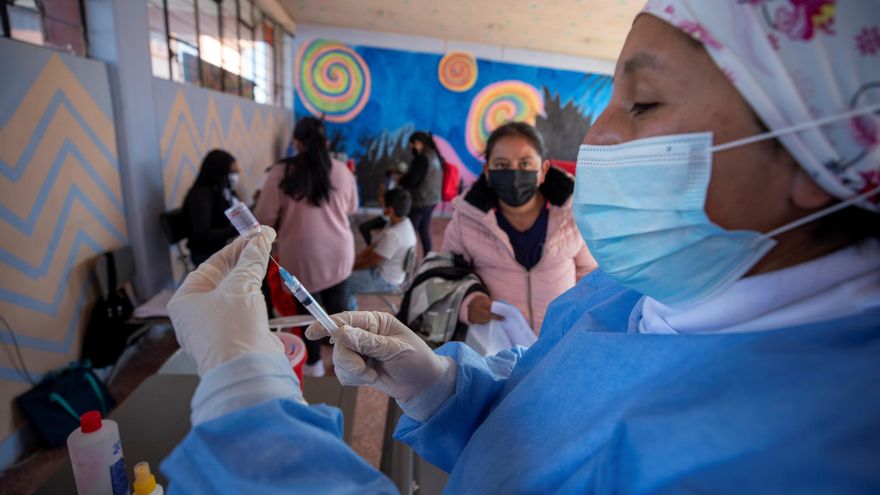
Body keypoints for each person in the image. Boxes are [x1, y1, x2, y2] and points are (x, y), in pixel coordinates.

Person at [163, 1, 880, 492]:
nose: (597, 137)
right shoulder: (642, 289)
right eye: (609, 101)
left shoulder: (792, 460)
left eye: (645, 103)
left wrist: (243, 393)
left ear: (811, 154)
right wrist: (443, 385)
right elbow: (547, 416)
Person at [443, 122, 597, 333]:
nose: (514, 174)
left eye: (524, 164)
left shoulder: (573, 216)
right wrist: (468, 303)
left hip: (560, 339)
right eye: (502, 165)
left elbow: (590, 276)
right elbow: (446, 275)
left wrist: (581, 323)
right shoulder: (465, 221)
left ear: (543, 170)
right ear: (488, 171)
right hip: (496, 344)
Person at [254, 117, 358, 377]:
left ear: (295, 142)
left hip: (301, 258)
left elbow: (264, 217)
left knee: (308, 315)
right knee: (339, 311)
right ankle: (344, 364)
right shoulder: (342, 170)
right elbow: (352, 208)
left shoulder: (280, 173)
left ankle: (314, 364)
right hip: (339, 254)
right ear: (325, 142)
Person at [348, 188, 417, 310]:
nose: (382, 210)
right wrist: (354, 260)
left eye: (384, 207)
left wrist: (349, 268)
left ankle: (350, 318)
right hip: (392, 274)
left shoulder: (394, 235)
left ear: (390, 210)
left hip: (387, 280)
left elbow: (371, 261)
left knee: (343, 282)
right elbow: (373, 247)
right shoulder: (405, 222)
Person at [181, 149, 240, 265]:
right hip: (206, 253)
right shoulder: (200, 195)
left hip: (222, 245)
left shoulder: (222, 190)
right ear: (219, 171)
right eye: (232, 172)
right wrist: (237, 228)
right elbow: (204, 235)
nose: (236, 176)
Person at [400, 131, 443, 255]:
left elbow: (412, 180)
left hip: (420, 202)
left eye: (411, 145)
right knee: (424, 230)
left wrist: (401, 179)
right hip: (432, 200)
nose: (410, 148)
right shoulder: (434, 155)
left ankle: (407, 263)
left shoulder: (422, 158)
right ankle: (427, 258)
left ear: (418, 143)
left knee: (409, 233)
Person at [358, 160, 408, 245]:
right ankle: (371, 248)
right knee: (364, 227)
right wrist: (381, 194)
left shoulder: (405, 189)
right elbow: (382, 204)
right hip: (386, 217)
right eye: (394, 173)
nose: (395, 175)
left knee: (385, 237)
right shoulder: (387, 184)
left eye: (399, 173)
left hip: (396, 220)